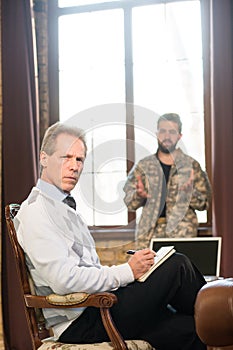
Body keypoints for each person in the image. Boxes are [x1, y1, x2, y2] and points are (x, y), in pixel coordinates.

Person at [15, 122, 207, 350]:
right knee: (177, 265)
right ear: (44, 158)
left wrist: (133, 271)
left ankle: (213, 320)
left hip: (97, 306)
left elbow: (87, 270)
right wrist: (127, 271)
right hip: (82, 321)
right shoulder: (37, 211)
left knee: (190, 327)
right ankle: (219, 313)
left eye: (79, 159)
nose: (74, 166)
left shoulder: (64, 209)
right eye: (66, 157)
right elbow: (63, 280)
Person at [123, 113, 211, 248]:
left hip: (182, 235)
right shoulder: (143, 166)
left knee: (180, 269)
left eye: (172, 132)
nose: (167, 136)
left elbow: (204, 203)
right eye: (163, 131)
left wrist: (190, 194)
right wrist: (138, 195)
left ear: (179, 136)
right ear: (156, 133)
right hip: (148, 237)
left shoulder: (191, 166)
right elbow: (129, 202)